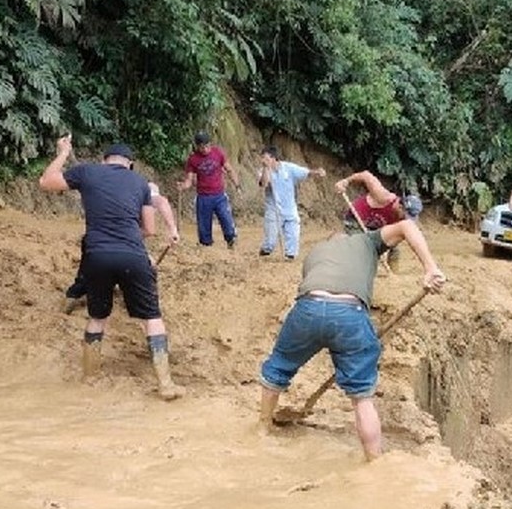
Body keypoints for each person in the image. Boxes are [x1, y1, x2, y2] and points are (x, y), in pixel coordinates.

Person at [256, 219, 447, 461]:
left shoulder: (315, 253)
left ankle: (262, 428)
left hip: (308, 307)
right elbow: (407, 225)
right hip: (350, 312)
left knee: (278, 368)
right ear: (348, 238)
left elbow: (316, 295)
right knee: (361, 398)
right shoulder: (366, 241)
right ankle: (373, 460)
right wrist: (430, 268)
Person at [40, 138, 185, 400]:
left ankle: (90, 377)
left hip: (96, 255)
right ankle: (166, 385)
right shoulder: (140, 182)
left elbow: (46, 182)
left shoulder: (87, 172)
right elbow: (150, 230)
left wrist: (63, 152)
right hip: (132, 255)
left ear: (104, 160)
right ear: (129, 164)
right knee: (152, 318)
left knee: (97, 317)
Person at [63, 181, 170, 315]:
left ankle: (77, 294)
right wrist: (172, 230)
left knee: (95, 268)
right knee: (140, 267)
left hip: (98, 241)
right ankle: (76, 295)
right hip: (104, 243)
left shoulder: (124, 200)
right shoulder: (138, 204)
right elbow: (160, 204)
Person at [256, 145, 326, 260]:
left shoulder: (288, 168)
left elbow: (305, 172)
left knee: (293, 235)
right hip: (273, 210)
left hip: (289, 208)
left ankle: (290, 255)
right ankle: (266, 249)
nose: (263, 161)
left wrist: (317, 172)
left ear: (274, 158)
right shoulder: (262, 171)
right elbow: (264, 184)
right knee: (270, 242)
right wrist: (267, 169)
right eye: (262, 158)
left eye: (266, 158)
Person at [177, 131, 240, 248]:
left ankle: (231, 239)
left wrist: (237, 184)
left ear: (210, 144)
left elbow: (229, 169)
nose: (205, 149)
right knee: (204, 226)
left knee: (226, 218)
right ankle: (206, 246)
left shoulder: (218, 153)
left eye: (207, 146)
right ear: (197, 146)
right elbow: (189, 180)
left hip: (219, 195)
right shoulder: (193, 159)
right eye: (202, 147)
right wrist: (183, 186)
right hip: (203, 197)